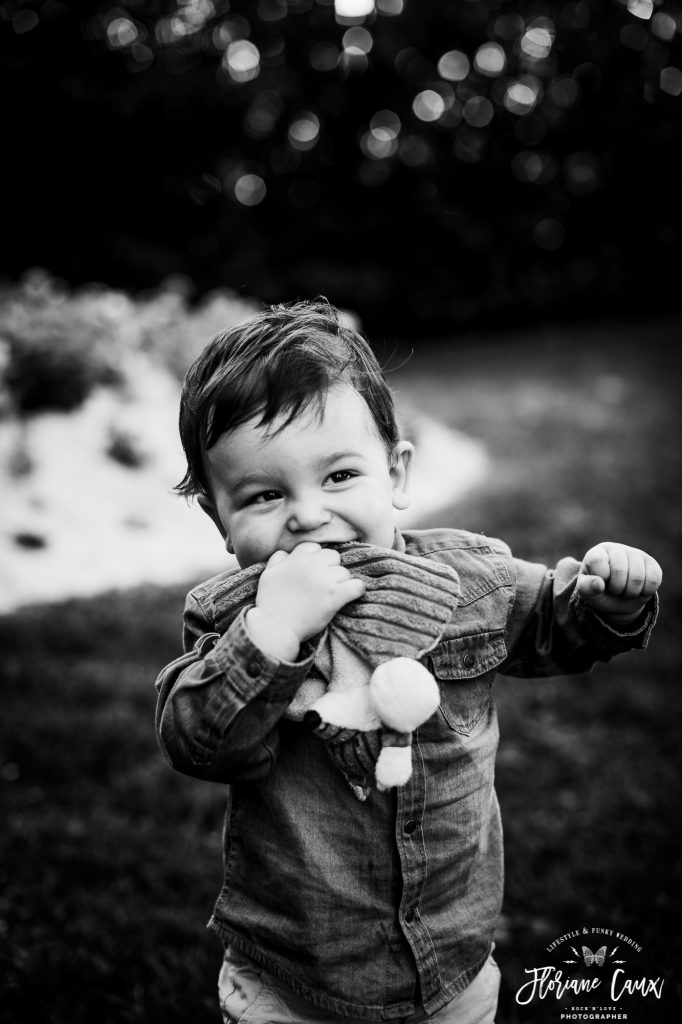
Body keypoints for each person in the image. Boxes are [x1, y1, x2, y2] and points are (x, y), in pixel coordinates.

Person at [155, 299, 661, 1024]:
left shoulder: (467, 580)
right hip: (295, 977)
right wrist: (275, 631)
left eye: (337, 478)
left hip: (451, 960)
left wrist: (606, 607)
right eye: (265, 495)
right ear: (218, 518)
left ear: (394, 474)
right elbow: (198, 739)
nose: (306, 514)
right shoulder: (231, 616)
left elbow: (555, 625)